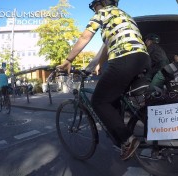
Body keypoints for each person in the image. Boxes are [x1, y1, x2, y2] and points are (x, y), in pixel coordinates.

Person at [57, 0, 150, 160]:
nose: (94, 9)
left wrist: (68, 59)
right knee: (115, 98)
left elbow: (85, 36)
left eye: (94, 5)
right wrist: (95, 66)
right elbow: (106, 48)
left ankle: (128, 139)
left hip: (124, 58)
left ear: (103, 2)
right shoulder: (123, 16)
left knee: (99, 101)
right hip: (142, 58)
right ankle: (121, 138)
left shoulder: (103, 13)